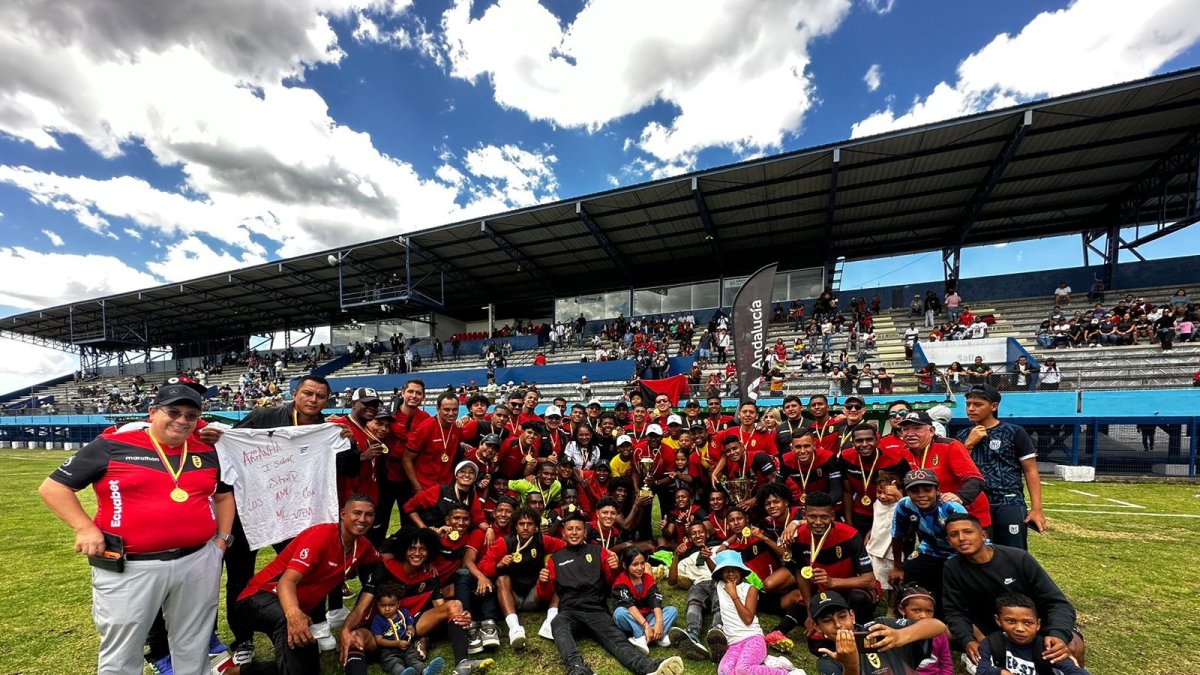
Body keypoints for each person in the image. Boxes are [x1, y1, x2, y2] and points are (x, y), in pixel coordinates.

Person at [39, 382, 234, 675]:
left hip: (197, 560)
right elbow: (53, 488)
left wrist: (221, 539)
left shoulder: (206, 451)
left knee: (193, 642)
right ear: (153, 412)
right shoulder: (113, 445)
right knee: (122, 649)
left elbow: (223, 494)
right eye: (174, 412)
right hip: (131, 564)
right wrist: (85, 528)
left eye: (190, 416)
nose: (181, 420)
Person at [237, 496, 382, 675]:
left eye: (369, 515)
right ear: (343, 514)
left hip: (291, 608)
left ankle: (238, 672)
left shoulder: (363, 547)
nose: (362, 519)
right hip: (257, 597)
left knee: (308, 666)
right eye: (357, 513)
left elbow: (384, 560)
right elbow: (286, 581)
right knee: (289, 624)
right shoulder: (321, 536)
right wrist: (294, 615)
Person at [538, 511, 685, 675]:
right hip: (570, 611)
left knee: (618, 640)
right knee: (558, 623)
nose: (574, 533)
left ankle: (648, 668)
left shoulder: (598, 551)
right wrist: (543, 582)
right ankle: (577, 668)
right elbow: (544, 596)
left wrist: (613, 568)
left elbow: (612, 583)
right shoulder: (555, 559)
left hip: (596, 609)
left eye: (578, 529)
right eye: (570, 529)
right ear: (563, 533)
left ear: (584, 532)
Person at [942, 514, 1086, 671]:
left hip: (1031, 624)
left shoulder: (1019, 558)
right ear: (949, 541)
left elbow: (1057, 603)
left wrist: (1058, 634)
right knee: (945, 633)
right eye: (954, 535)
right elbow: (954, 611)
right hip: (994, 628)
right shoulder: (952, 568)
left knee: (1072, 645)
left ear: (983, 535)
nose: (962, 538)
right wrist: (968, 640)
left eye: (968, 532)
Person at [957, 385, 1045, 549]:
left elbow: (1030, 471)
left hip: (1008, 502)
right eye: (968, 404)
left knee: (1013, 554)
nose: (970, 408)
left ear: (994, 406)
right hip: (974, 504)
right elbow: (957, 468)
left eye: (977, 404)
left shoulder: (1014, 432)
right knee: (978, 553)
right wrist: (969, 443)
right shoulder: (962, 436)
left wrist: (1037, 509)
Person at [809, 590, 947, 675]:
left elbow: (938, 626)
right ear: (817, 627)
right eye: (827, 620)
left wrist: (900, 635)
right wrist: (850, 666)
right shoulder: (827, 661)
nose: (838, 625)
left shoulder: (880, 628)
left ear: (852, 616)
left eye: (842, 616)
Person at [711, 550, 806, 675]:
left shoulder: (750, 589)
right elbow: (713, 568)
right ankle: (765, 663)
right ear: (721, 573)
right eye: (726, 570)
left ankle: (786, 673)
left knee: (742, 669)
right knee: (724, 672)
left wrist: (734, 595)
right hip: (733, 643)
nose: (730, 573)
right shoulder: (721, 585)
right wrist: (707, 557)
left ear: (740, 570)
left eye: (734, 569)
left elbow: (748, 619)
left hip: (752, 639)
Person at [888, 469, 966, 619]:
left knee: (948, 583)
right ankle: (905, 618)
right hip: (929, 549)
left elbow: (970, 539)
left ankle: (947, 618)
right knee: (910, 571)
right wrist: (898, 567)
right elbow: (897, 536)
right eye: (914, 491)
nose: (921, 495)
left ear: (937, 491)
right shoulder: (904, 505)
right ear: (907, 492)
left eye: (927, 489)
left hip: (957, 553)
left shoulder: (951, 508)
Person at [897, 411, 991, 529]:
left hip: (968, 515)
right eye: (905, 429)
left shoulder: (949, 446)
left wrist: (960, 497)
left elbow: (976, 479)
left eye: (917, 428)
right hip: (934, 517)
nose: (910, 434)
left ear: (931, 431)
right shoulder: (904, 452)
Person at [344, 582, 447, 675]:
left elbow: (410, 624)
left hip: (406, 647)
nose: (387, 609)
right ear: (377, 605)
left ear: (398, 604)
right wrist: (396, 643)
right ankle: (403, 673)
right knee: (394, 664)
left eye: (391, 605)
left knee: (413, 659)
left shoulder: (404, 613)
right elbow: (379, 640)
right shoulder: (378, 620)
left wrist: (411, 630)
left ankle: (425, 671)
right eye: (383, 606)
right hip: (388, 651)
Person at [976, 593, 1091, 675]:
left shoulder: (1047, 648)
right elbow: (981, 671)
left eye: (1028, 623)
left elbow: (1073, 670)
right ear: (998, 620)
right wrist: (1001, 672)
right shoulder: (992, 643)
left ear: (1038, 624)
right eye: (1011, 621)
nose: (1020, 629)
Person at [665, 521, 722, 661]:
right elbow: (671, 582)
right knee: (694, 599)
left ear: (707, 534)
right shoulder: (688, 559)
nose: (697, 536)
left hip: (717, 581)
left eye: (700, 532)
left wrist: (708, 557)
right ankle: (692, 635)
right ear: (689, 538)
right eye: (693, 534)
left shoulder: (718, 549)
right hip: (700, 584)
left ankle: (718, 632)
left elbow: (720, 574)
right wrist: (677, 555)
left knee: (720, 599)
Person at [611, 548, 677, 653]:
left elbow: (656, 600)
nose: (640, 568)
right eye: (635, 564)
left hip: (647, 615)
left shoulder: (647, 578)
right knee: (619, 614)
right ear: (625, 565)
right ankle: (641, 636)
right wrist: (646, 625)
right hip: (632, 618)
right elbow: (630, 607)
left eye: (642, 563)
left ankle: (654, 634)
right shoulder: (620, 583)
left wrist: (659, 622)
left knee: (671, 611)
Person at [896, 585, 953, 675]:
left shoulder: (939, 635)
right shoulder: (896, 634)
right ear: (902, 610)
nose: (923, 616)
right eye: (916, 610)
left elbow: (946, 665)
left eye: (929, 611)